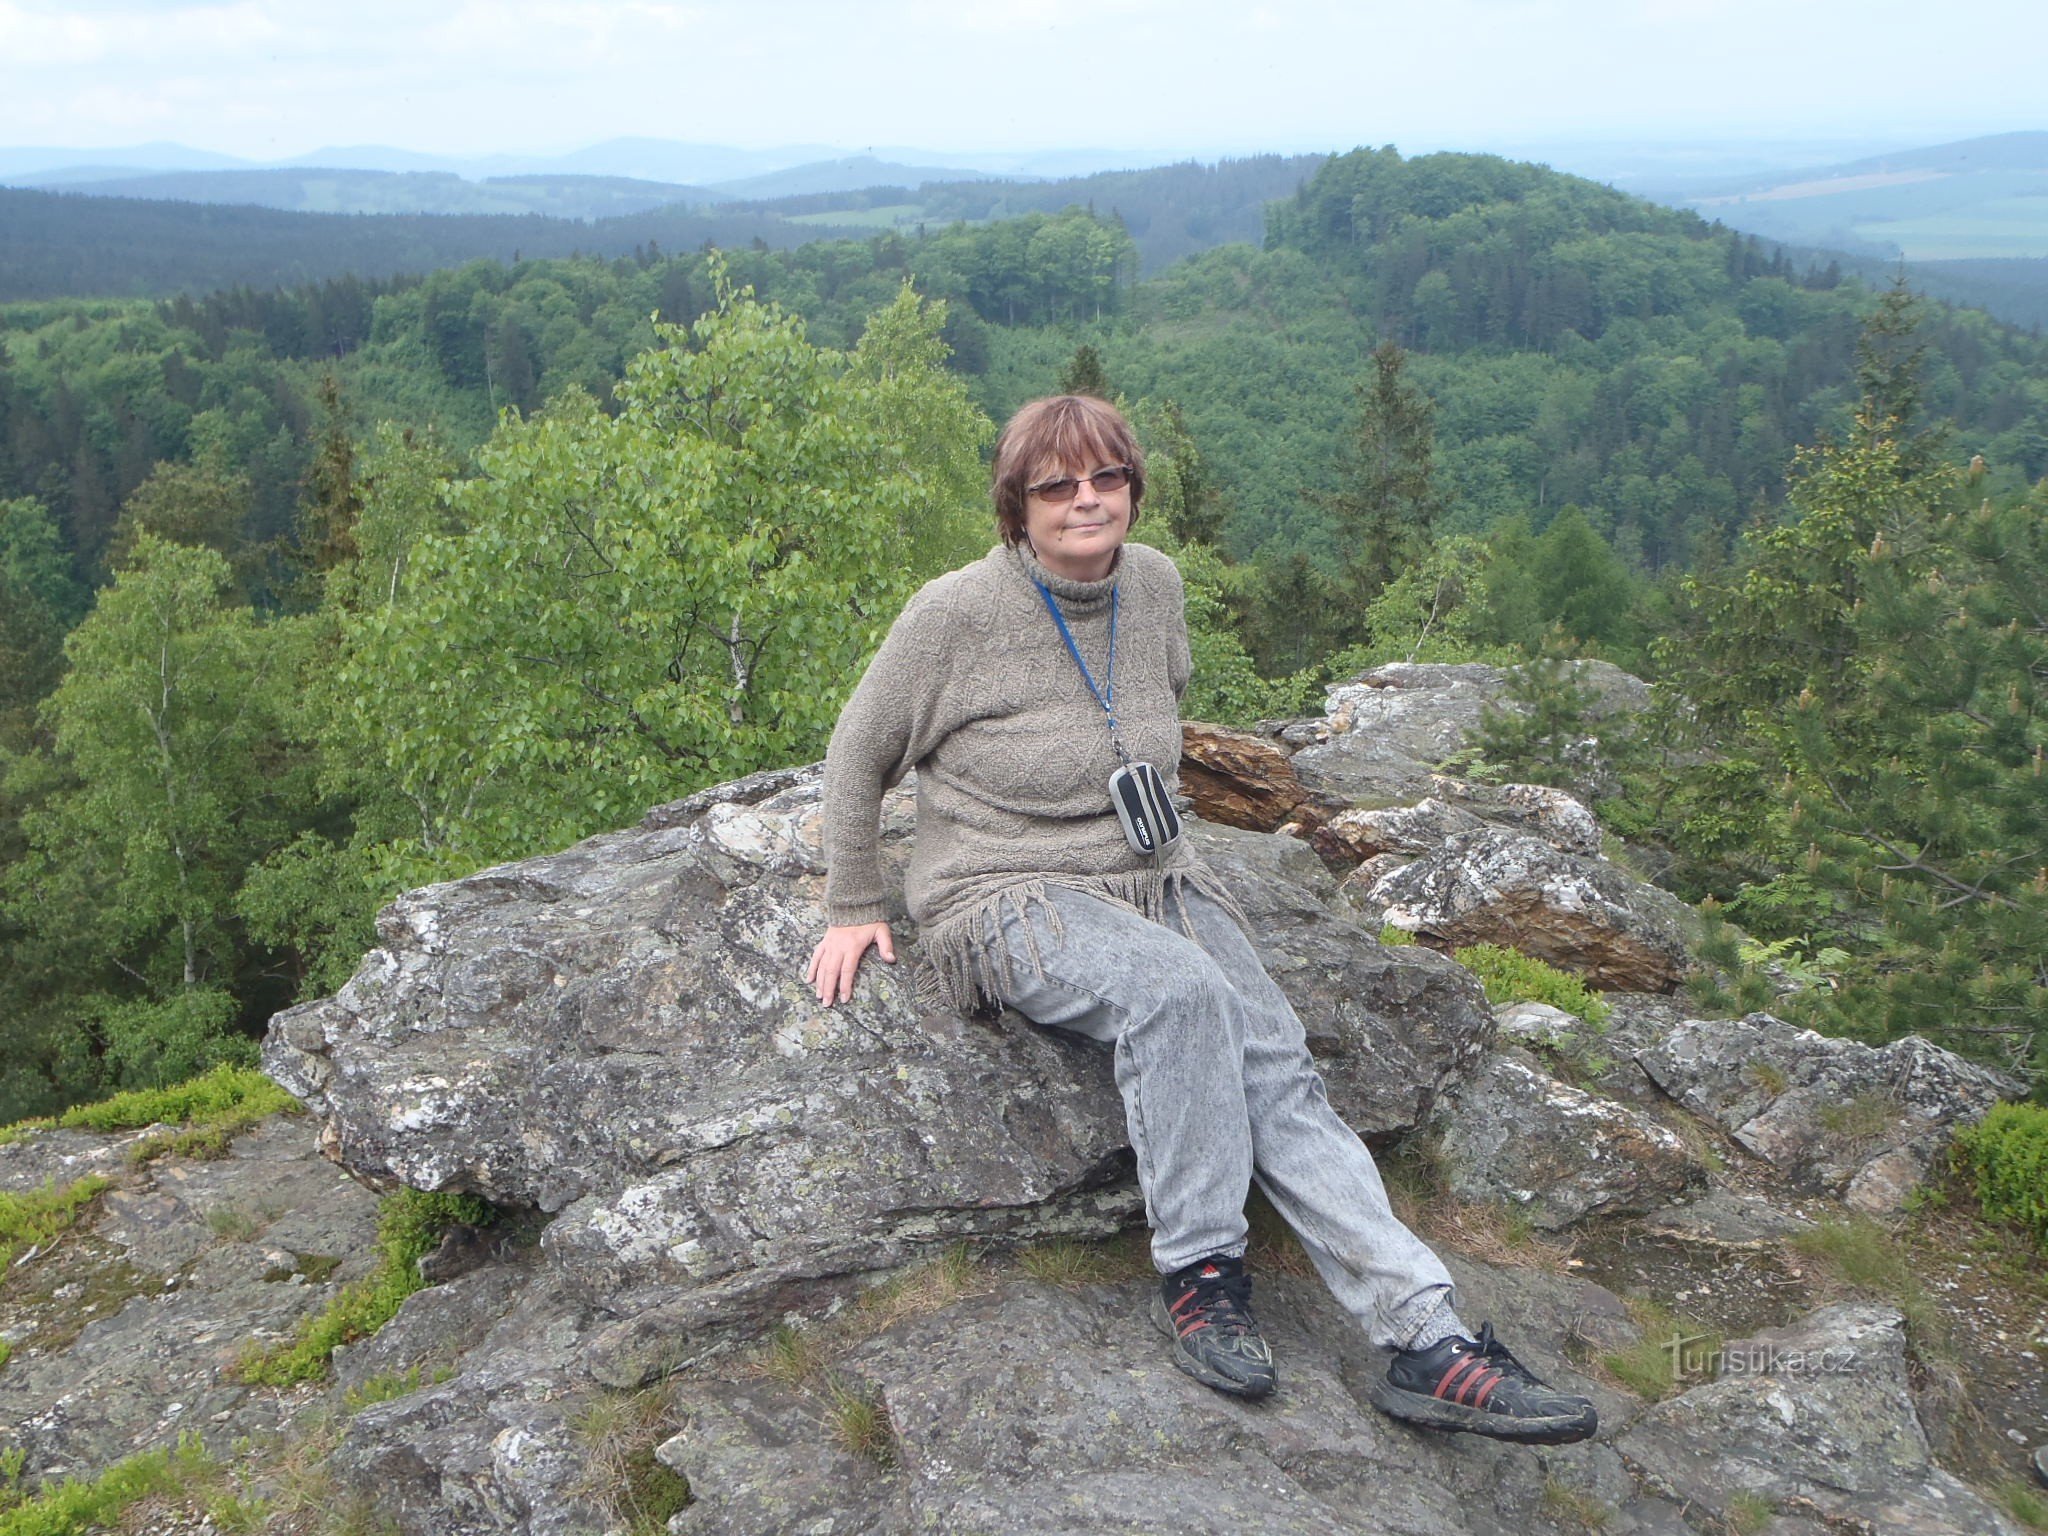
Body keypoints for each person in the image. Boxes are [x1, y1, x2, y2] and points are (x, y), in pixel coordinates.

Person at [806, 394, 1596, 1445]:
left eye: (1105, 478)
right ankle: (1200, 1274)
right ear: (1015, 506)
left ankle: (1426, 1340)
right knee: (1175, 997)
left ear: (1131, 487)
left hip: (1156, 872)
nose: (1084, 500)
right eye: (1056, 485)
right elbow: (854, 757)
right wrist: (852, 903)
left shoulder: (1156, 586)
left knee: (1274, 1062)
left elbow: (1154, 716)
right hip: (1005, 890)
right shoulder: (953, 613)